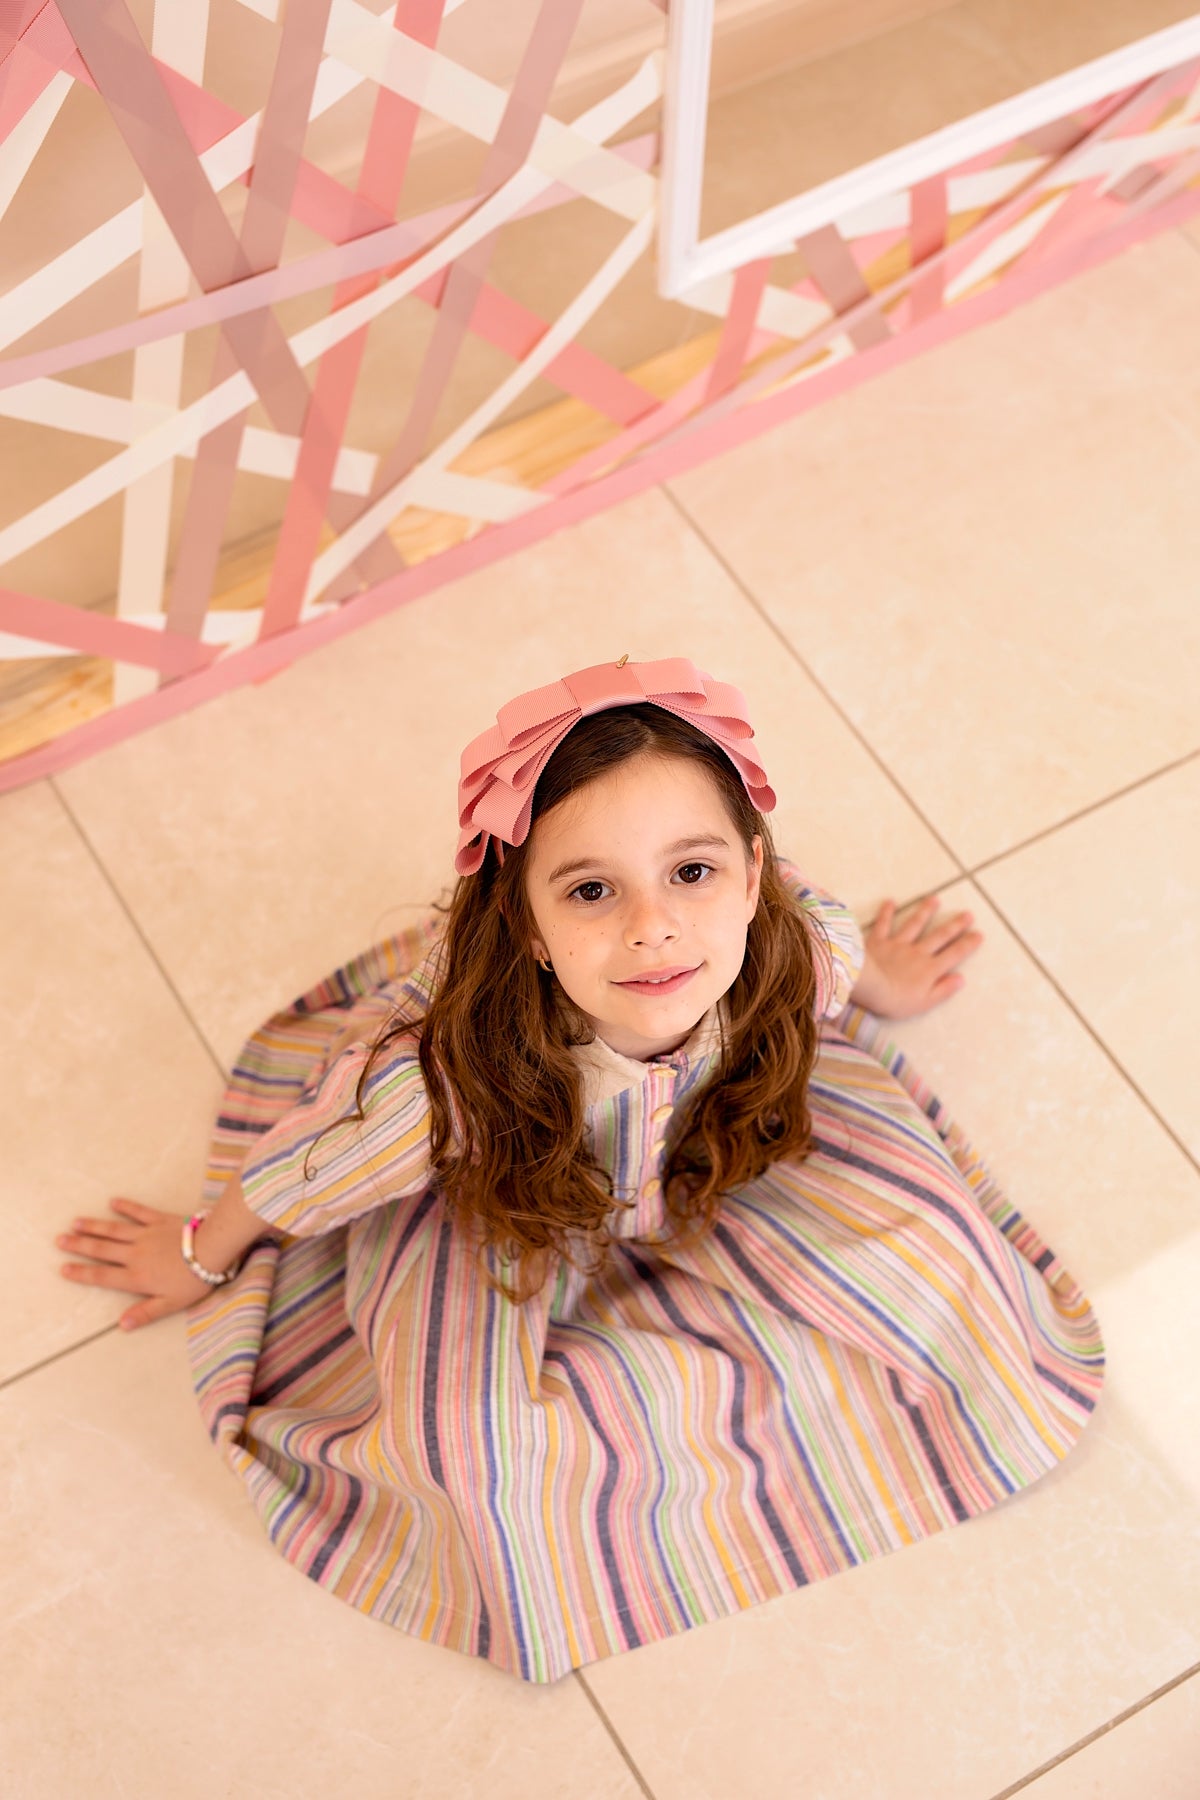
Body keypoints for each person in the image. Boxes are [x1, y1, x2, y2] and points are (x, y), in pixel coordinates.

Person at [54, 655, 1104, 1684]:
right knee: (470, 1449)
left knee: (940, 1260)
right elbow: (308, 1168)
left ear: (752, 879)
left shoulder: (800, 944)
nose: (654, 929)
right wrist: (202, 1251)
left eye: (691, 873)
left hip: (718, 1151)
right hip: (511, 1209)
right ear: (530, 927)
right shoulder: (439, 1085)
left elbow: (825, 933)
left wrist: (882, 984)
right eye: (593, 890)